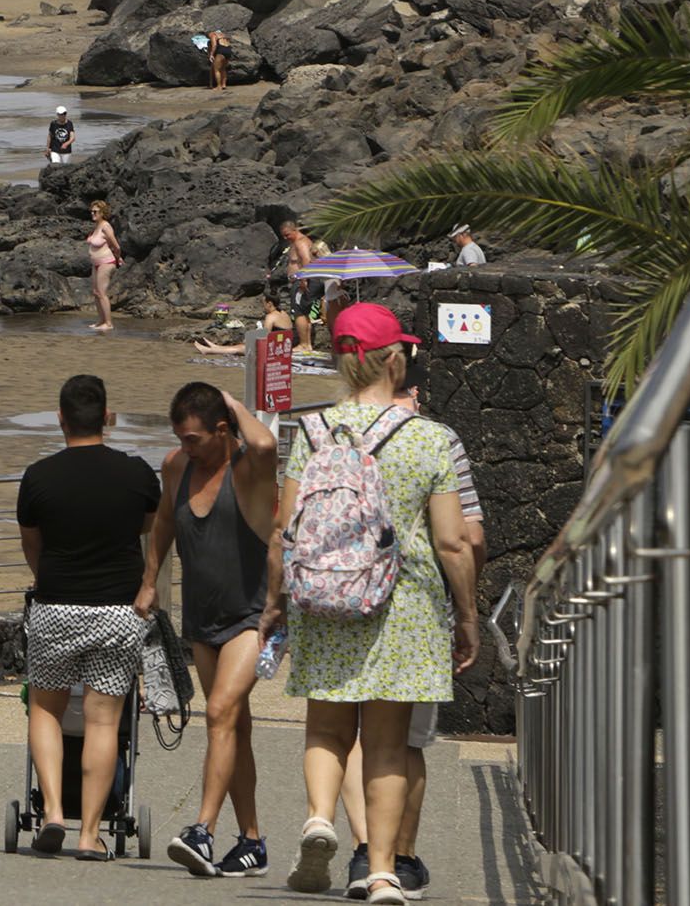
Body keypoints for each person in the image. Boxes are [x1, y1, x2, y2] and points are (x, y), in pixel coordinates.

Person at [261, 302, 478, 902]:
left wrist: (275, 604)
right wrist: (467, 616)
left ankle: (319, 817)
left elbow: (286, 531)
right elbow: (453, 541)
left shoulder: (308, 432)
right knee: (387, 743)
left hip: (323, 599)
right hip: (402, 607)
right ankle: (381, 870)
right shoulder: (431, 438)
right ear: (395, 356)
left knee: (327, 727)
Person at [337, 360, 485, 900]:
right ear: (413, 387)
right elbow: (465, 537)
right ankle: (397, 858)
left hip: (337, 603)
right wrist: (466, 608)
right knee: (403, 742)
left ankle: (359, 849)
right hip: (413, 611)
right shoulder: (437, 439)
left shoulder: (327, 426)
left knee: (344, 735)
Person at [17, 373, 162, 859]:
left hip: (56, 606)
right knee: (104, 723)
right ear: (107, 417)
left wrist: (51, 579)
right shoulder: (138, 474)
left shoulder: (38, 477)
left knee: (45, 710)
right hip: (118, 610)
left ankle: (54, 812)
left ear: (60, 418)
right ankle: (89, 834)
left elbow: (32, 546)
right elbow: (149, 532)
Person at [139, 383, 278, 877]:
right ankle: (253, 843)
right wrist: (149, 580)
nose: (185, 446)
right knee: (233, 726)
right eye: (180, 436)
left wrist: (233, 401)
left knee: (219, 711)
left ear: (222, 429)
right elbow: (162, 526)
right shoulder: (177, 467)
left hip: (254, 615)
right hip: (202, 618)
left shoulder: (248, 466)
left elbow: (264, 443)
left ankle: (202, 829)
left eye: (194, 437)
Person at [278, 219, 322, 351]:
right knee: (304, 311)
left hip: (303, 281)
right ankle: (307, 344)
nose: (286, 238)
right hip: (303, 280)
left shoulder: (301, 242)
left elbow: (306, 261)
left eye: (287, 234)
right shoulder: (298, 242)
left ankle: (304, 344)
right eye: (284, 236)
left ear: (295, 230)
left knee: (299, 312)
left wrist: (303, 279)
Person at [85, 201, 121, 332]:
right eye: (92, 211)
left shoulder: (106, 226)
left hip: (106, 262)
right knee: (96, 293)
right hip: (95, 264)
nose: (92, 214)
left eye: (95, 212)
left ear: (102, 213)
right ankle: (101, 321)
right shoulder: (97, 226)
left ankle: (109, 323)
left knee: (102, 293)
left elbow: (116, 246)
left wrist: (118, 258)